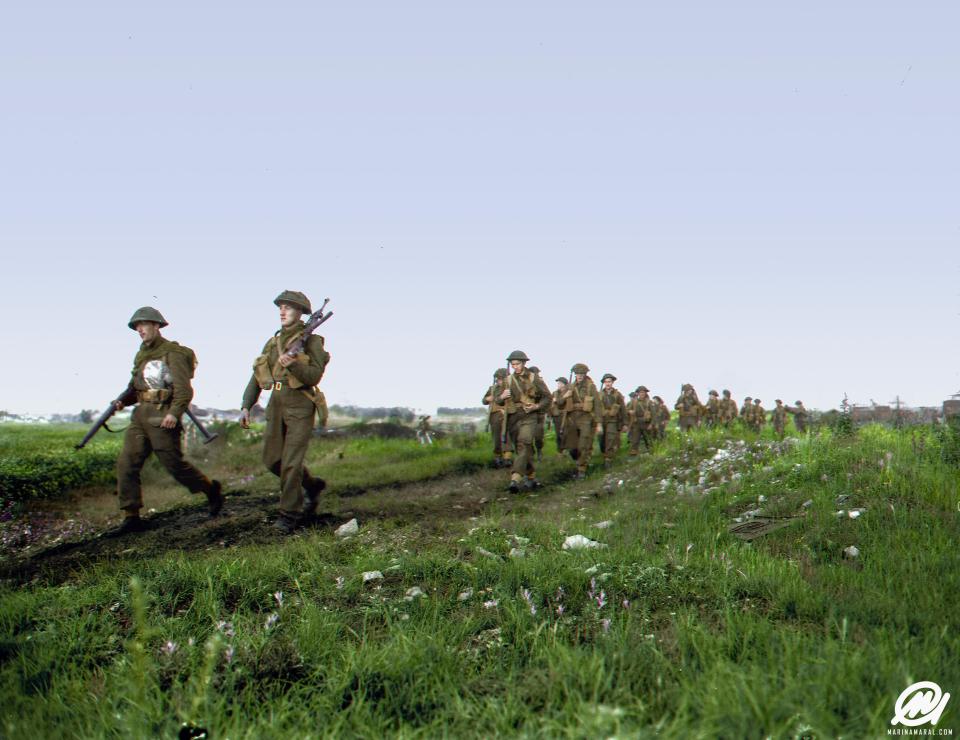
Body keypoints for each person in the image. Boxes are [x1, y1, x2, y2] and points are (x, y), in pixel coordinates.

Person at [114, 307, 223, 533]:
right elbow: (135, 387)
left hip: (162, 414)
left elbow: (184, 390)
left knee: (173, 464)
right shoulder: (141, 354)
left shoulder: (172, 353)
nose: (140, 329)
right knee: (126, 463)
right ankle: (131, 515)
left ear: (157, 325)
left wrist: (174, 413)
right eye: (137, 326)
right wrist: (122, 401)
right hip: (140, 416)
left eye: (144, 324)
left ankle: (210, 489)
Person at [240, 290, 330, 534]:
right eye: (280, 307)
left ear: (300, 312)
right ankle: (311, 486)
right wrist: (246, 405)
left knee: (291, 463)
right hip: (276, 404)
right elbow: (257, 376)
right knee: (272, 460)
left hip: (300, 404)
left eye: (288, 307)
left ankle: (289, 514)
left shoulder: (312, 341)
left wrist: (296, 366)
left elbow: (314, 376)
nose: (282, 311)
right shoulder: (273, 342)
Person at [500, 350, 552, 492]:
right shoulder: (508, 380)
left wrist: (537, 406)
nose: (515, 366)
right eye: (512, 364)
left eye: (517, 364)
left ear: (523, 363)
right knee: (522, 449)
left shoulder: (534, 378)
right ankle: (531, 476)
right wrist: (502, 396)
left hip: (529, 416)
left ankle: (515, 478)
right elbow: (499, 401)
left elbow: (547, 397)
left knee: (524, 443)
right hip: (513, 418)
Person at [559, 363, 603, 479]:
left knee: (584, 444)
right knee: (572, 446)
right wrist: (565, 396)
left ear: (585, 374)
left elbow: (598, 405)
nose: (579, 375)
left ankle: (581, 468)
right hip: (572, 418)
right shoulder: (570, 386)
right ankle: (580, 460)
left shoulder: (591, 387)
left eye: (581, 373)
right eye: (577, 373)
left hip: (586, 418)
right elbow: (559, 403)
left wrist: (598, 423)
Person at [598, 373, 628, 468]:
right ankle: (605, 454)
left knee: (610, 439)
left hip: (613, 420)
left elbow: (623, 409)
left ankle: (608, 459)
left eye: (609, 381)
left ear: (612, 382)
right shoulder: (599, 394)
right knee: (601, 441)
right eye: (606, 382)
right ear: (604, 383)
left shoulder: (617, 395)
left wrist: (625, 423)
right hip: (602, 421)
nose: (608, 384)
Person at [483, 369, 510, 467]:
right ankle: (498, 456)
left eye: (501, 379)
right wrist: (487, 399)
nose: (499, 381)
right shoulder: (492, 388)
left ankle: (507, 456)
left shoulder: (509, 388)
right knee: (496, 438)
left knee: (507, 436)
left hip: (506, 414)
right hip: (494, 415)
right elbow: (484, 400)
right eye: (497, 379)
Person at [628, 385, 655, 454]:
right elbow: (627, 410)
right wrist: (630, 411)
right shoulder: (634, 402)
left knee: (648, 440)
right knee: (635, 440)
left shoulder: (649, 402)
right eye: (640, 392)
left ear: (646, 393)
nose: (642, 394)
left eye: (643, 392)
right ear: (637, 393)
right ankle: (634, 454)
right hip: (636, 423)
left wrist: (651, 424)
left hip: (646, 423)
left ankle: (651, 453)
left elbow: (654, 414)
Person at [527, 366, 547, 461]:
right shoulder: (525, 383)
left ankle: (539, 450)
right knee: (527, 436)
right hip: (528, 414)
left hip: (539, 413)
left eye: (536, 373)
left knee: (539, 436)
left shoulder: (540, 383)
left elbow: (547, 398)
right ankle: (530, 454)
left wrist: (539, 406)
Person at [550, 377, 568, 454]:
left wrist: (556, 400)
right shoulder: (554, 393)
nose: (559, 384)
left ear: (565, 385)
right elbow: (551, 404)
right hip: (556, 416)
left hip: (565, 416)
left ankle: (565, 449)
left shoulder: (568, 393)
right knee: (558, 434)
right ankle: (560, 450)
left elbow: (561, 403)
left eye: (560, 383)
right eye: (558, 383)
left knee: (565, 433)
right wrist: (550, 414)